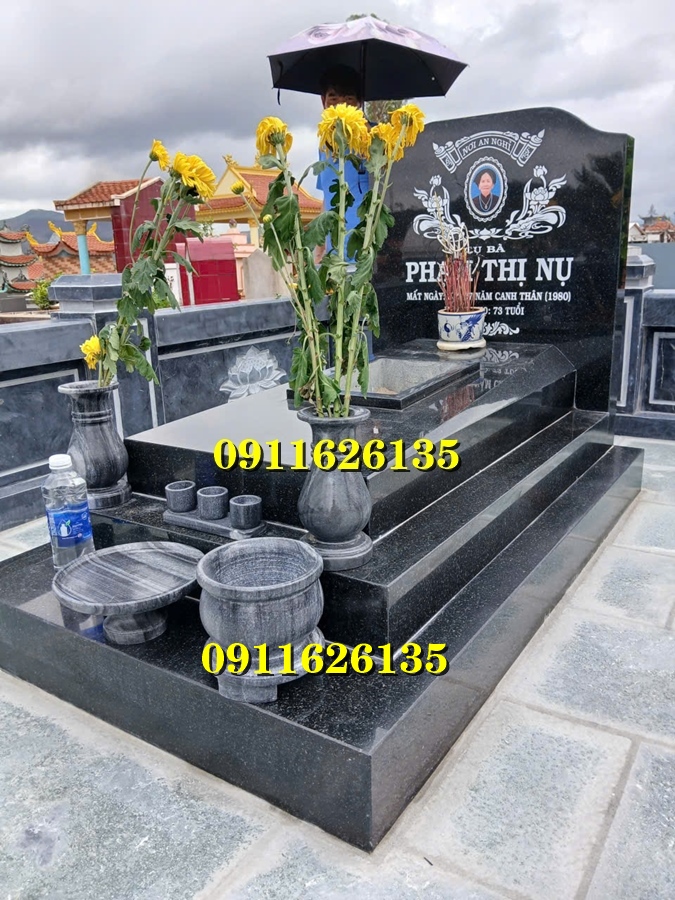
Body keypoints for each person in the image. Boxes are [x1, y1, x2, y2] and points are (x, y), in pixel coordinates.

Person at [316, 65, 370, 260]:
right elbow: (326, 197)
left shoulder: (373, 139)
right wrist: (320, 247)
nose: (341, 106)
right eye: (333, 98)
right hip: (335, 253)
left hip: (366, 249)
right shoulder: (324, 144)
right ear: (323, 101)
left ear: (359, 103)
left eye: (348, 98)